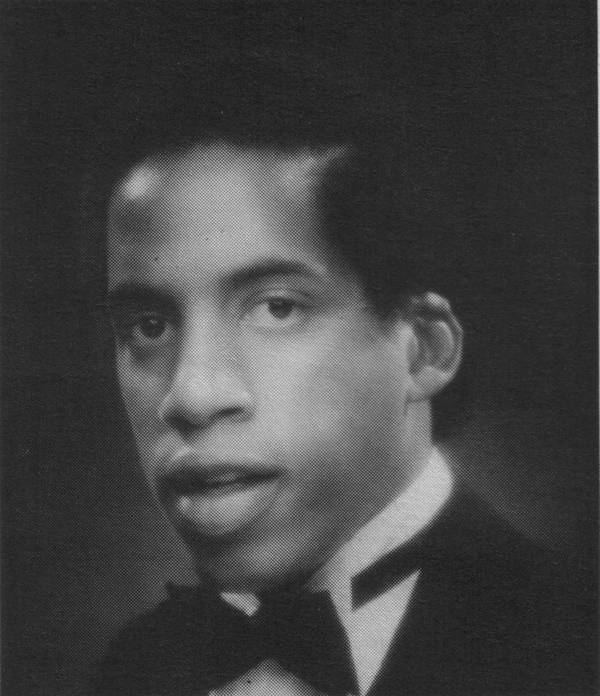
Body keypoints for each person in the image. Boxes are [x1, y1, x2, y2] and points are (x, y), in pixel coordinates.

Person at [87, 54, 591, 695]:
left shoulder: (574, 646)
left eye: (277, 308)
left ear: (423, 350)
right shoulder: (134, 668)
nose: (189, 395)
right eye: (150, 326)